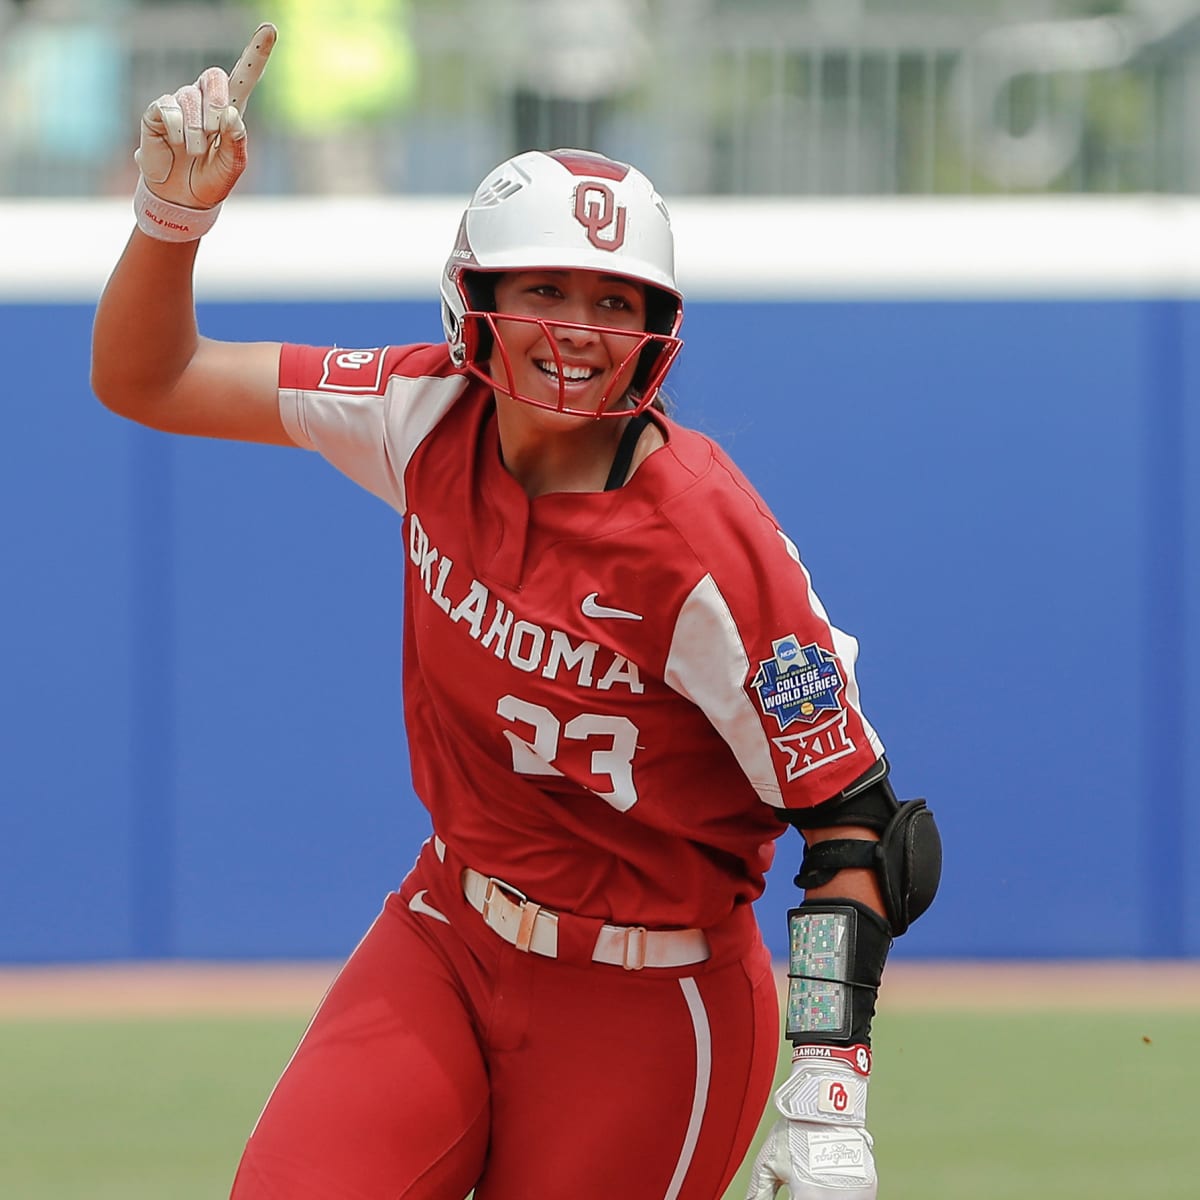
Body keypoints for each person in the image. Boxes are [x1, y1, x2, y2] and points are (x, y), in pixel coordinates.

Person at [90, 24, 941, 1200]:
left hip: (653, 1000)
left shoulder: (704, 543)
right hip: (449, 930)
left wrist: (829, 1091)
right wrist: (169, 218)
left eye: (614, 297)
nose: (580, 328)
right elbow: (149, 376)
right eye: (545, 288)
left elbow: (859, 829)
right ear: (474, 297)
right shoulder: (424, 412)